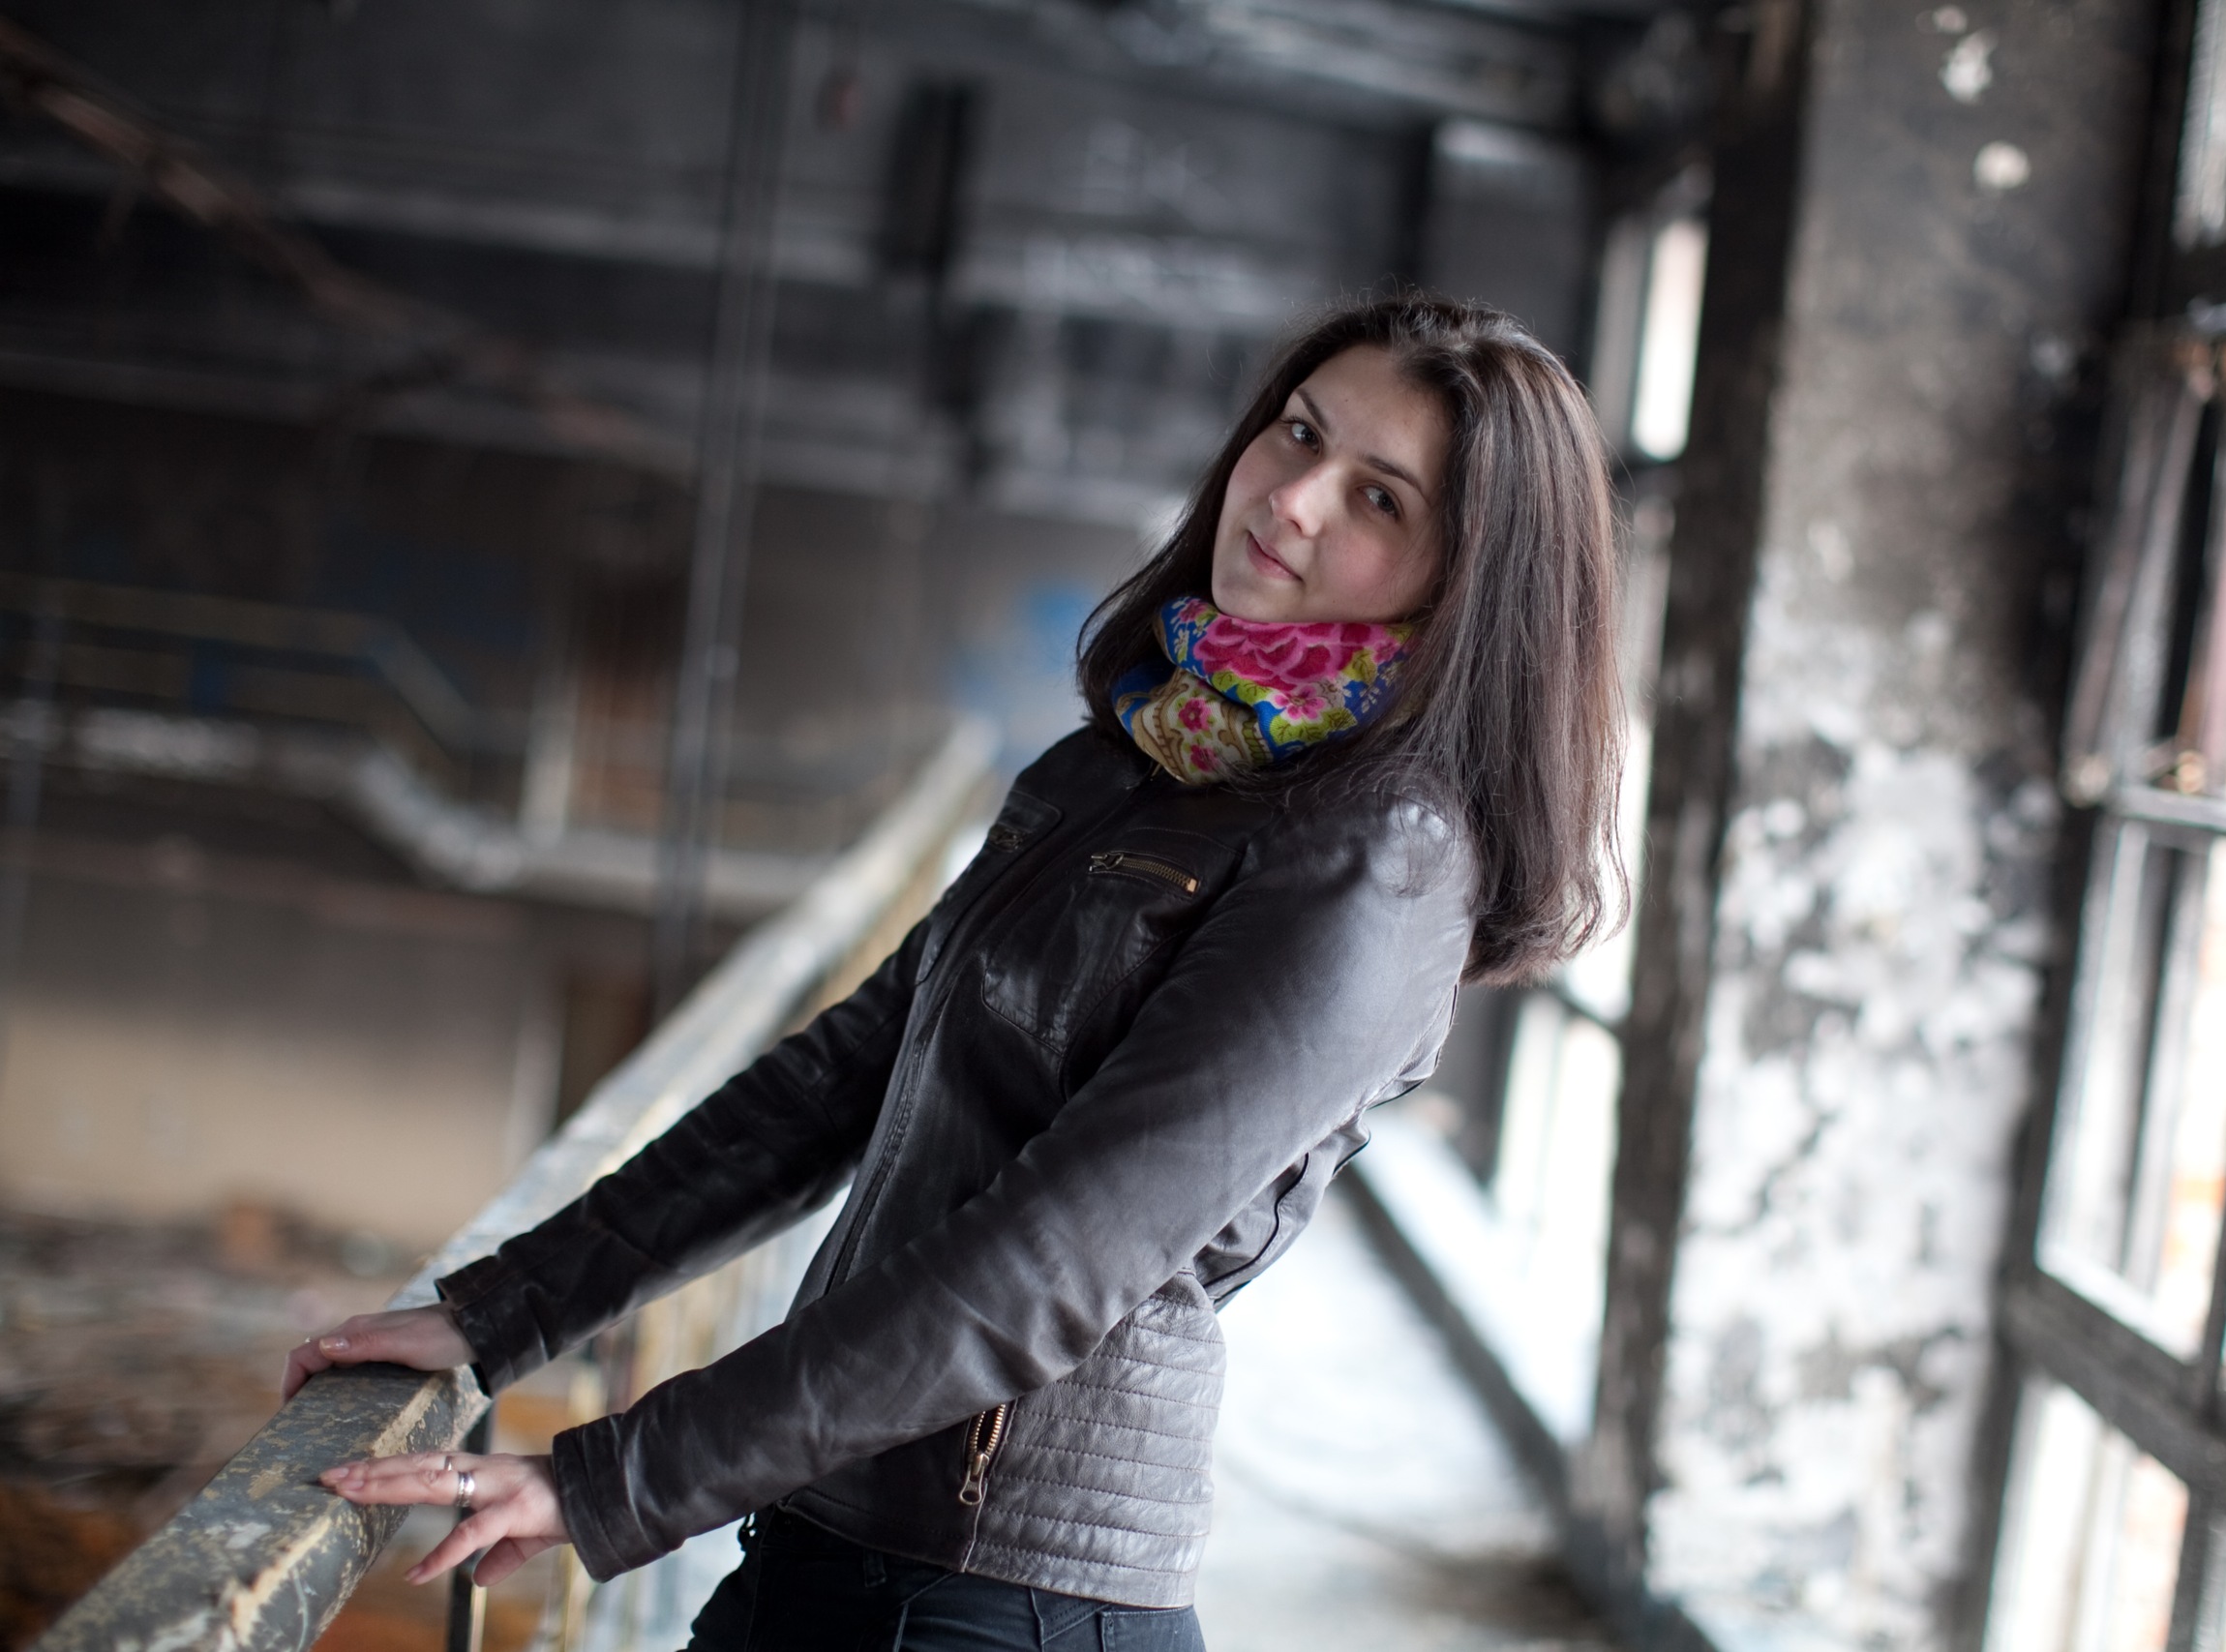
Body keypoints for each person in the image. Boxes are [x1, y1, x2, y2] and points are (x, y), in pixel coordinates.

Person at [286, 292, 1627, 1651]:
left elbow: (1058, 1256)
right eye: (1299, 433)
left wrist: (616, 1479)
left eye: (1380, 499)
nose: (1292, 499)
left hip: (1004, 1596)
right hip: (840, 1537)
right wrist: (505, 1311)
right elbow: (840, 1076)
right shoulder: (1137, 755)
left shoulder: (1381, 859)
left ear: (1463, 585)